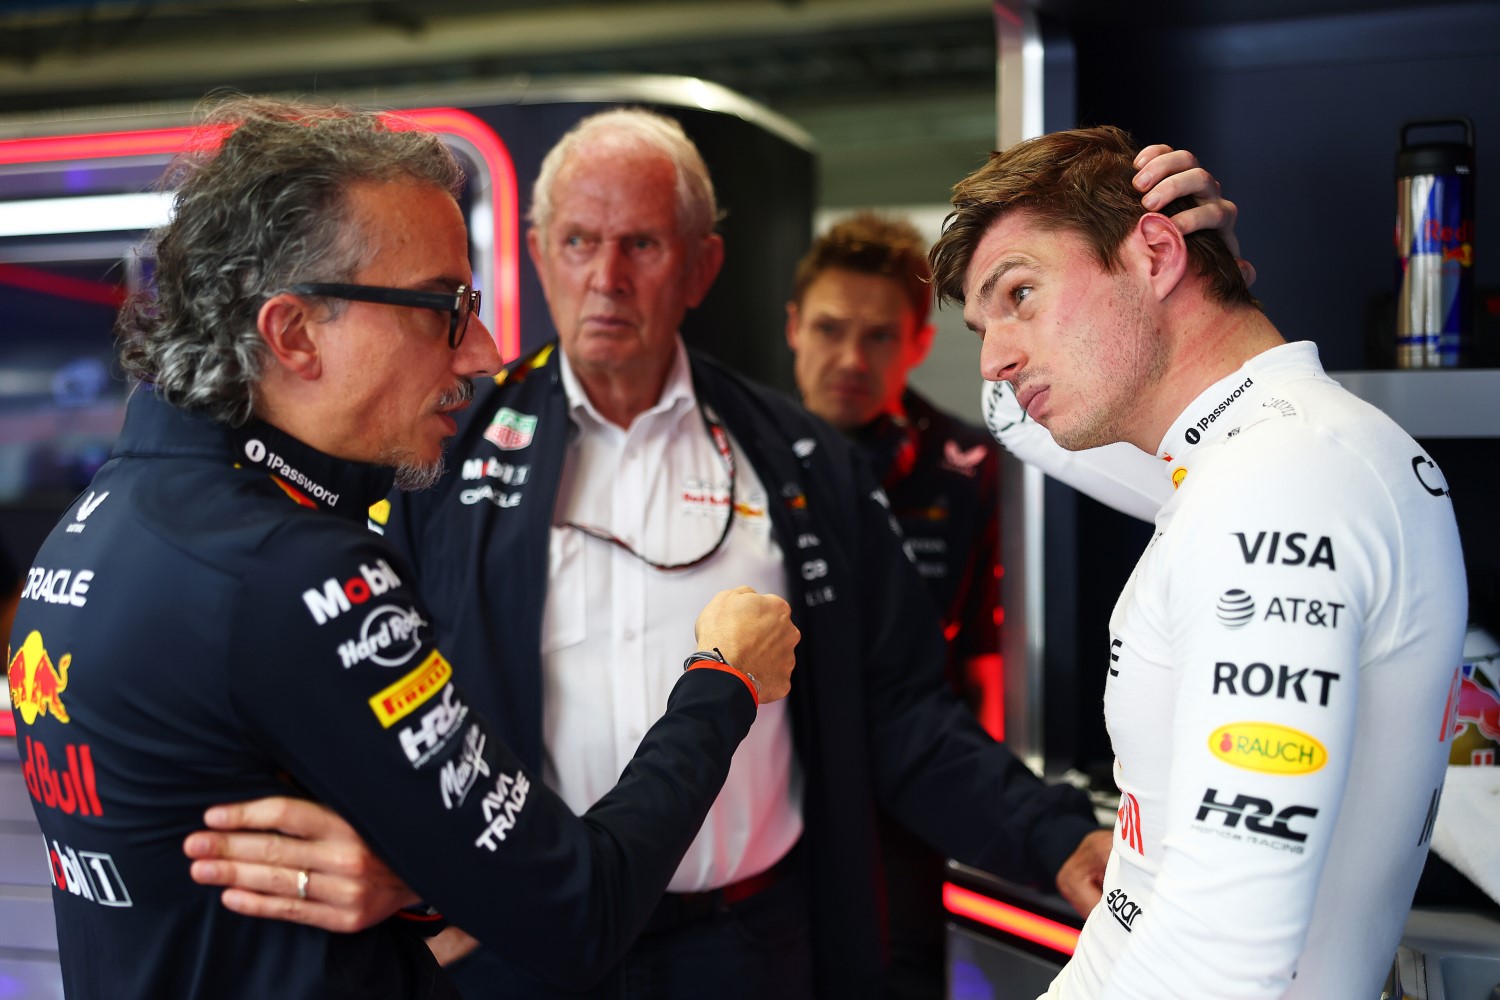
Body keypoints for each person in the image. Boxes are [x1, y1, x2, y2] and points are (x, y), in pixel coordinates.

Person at [6, 96, 799, 1000]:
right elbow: (579, 911)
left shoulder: (112, 514)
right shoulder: (297, 570)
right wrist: (722, 681)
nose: (485, 352)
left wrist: (420, 873)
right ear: (294, 333)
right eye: (442, 308)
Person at [928, 124, 1468, 999]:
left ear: (1151, 252)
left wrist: (1185, 260)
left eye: (1020, 293)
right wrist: (1199, 267)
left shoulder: (1289, 477)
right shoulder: (1254, 456)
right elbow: (1011, 412)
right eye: (985, 322)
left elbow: (1223, 958)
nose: (993, 356)